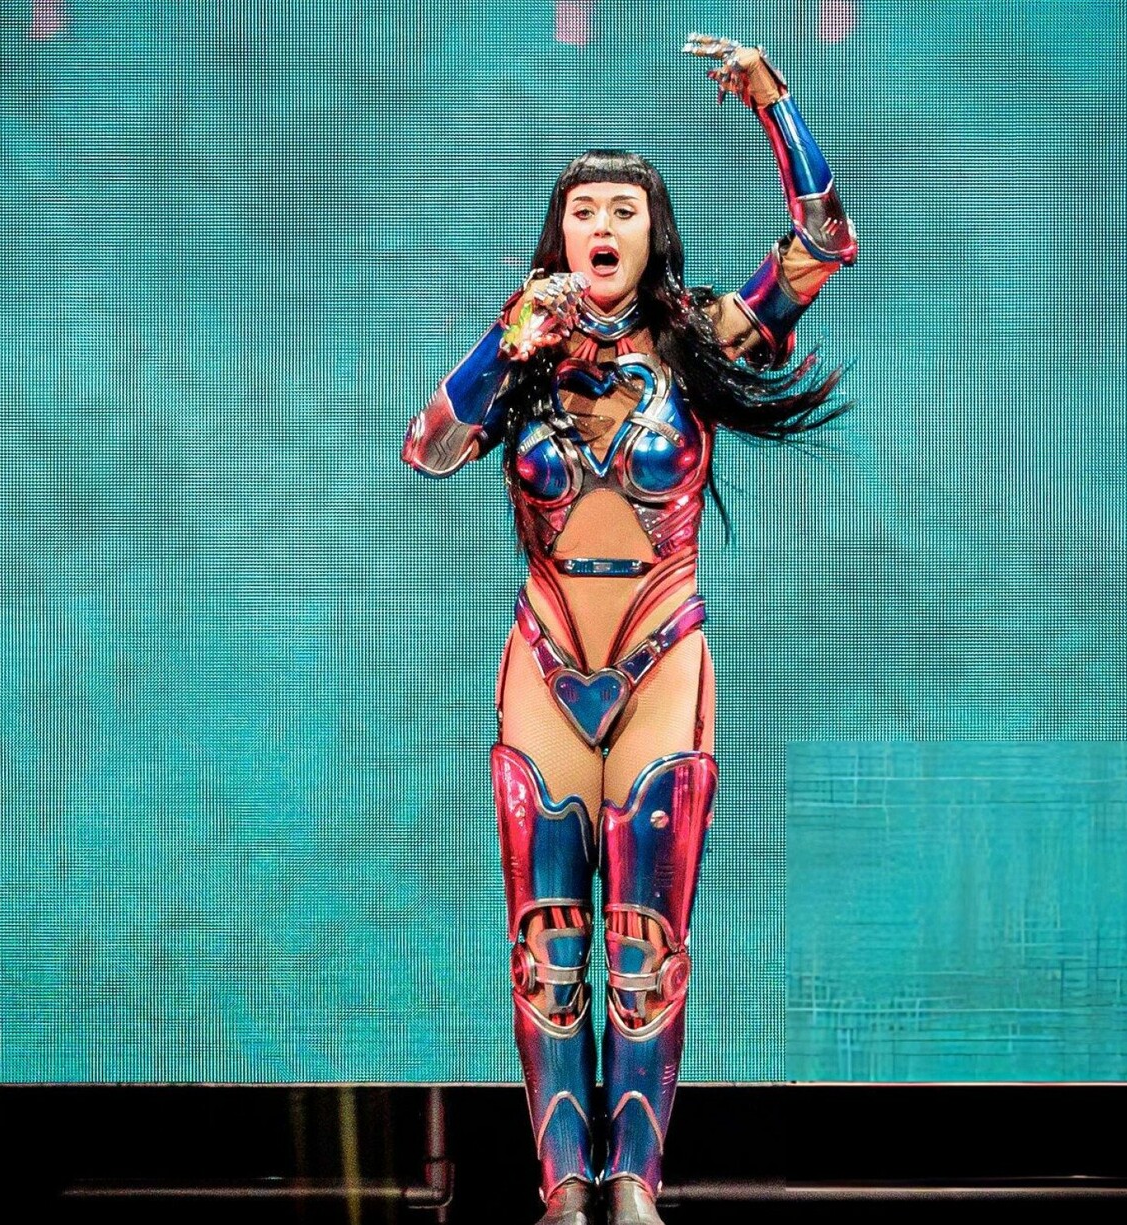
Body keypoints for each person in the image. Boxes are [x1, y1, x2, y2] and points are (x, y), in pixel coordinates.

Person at [401, 33, 858, 1225]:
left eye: (623, 210)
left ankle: (636, 1187)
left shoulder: (698, 340)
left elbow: (823, 244)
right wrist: (508, 338)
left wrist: (774, 102)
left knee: (645, 950)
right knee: (549, 952)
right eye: (583, 212)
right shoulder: (523, 351)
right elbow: (428, 448)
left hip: (662, 663)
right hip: (547, 666)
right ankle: (563, 1187)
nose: (601, 227)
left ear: (654, 234)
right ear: (558, 237)